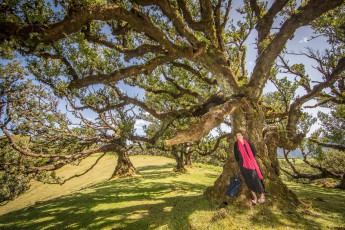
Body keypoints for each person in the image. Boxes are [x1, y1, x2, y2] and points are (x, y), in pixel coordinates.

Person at [233, 130, 265, 204]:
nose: (238, 137)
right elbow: (236, 154)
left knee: (255, 179)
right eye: (237, 136)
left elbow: (253, 152)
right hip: (242, 164)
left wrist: (249, 159)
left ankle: (262, 196)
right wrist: (240, 161)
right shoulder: (236, 144)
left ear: (242, 136)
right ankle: (255, 198)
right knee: (248, 180)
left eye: (239, 135)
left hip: (250, 163)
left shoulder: (248, 143)